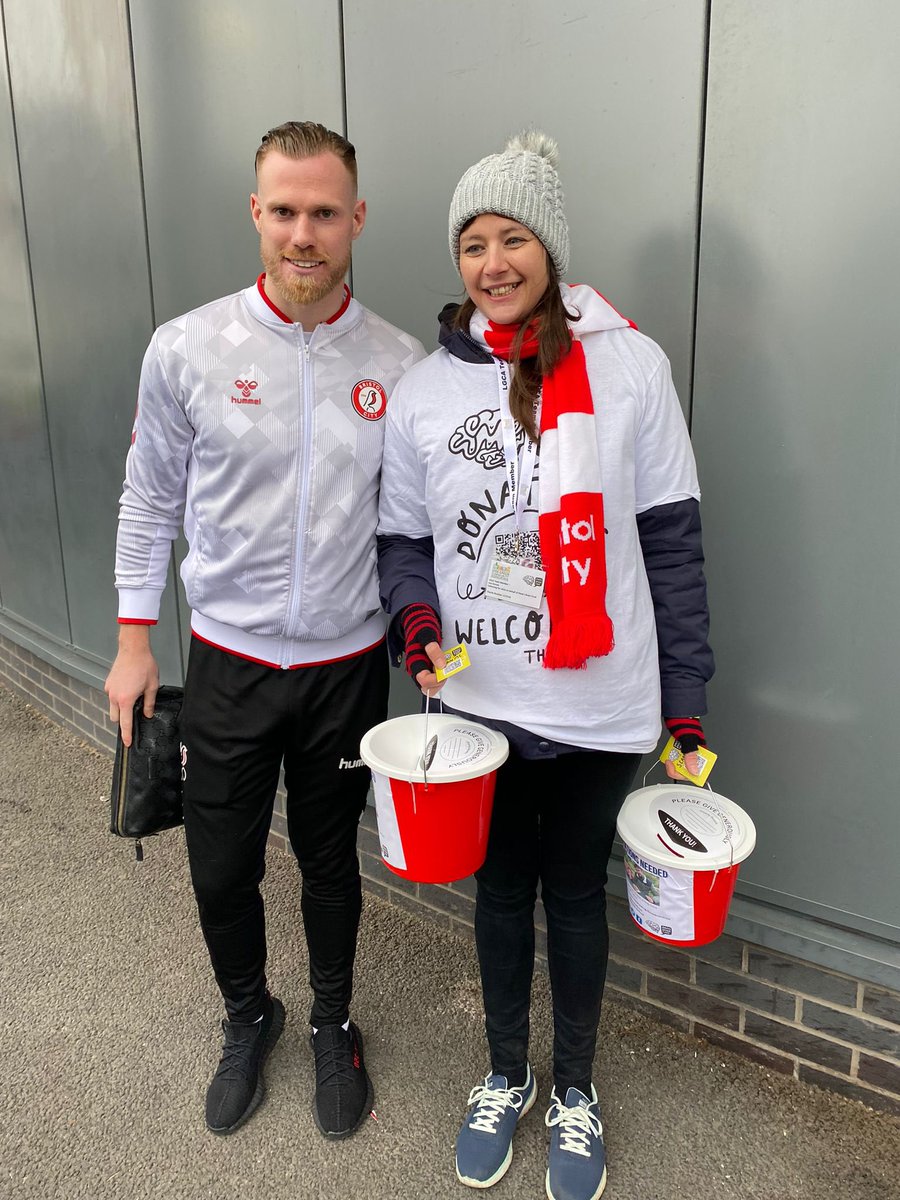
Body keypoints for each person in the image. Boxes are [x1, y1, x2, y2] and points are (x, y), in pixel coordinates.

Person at [377, 131, 713, 1199]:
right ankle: (505, 1074)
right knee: (497, 892)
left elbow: (670, 540)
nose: (491, 262)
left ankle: (575, 1090)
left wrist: (689, 698)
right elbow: (402, 546)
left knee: (574, 893)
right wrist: (415, 623)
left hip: (602, 700)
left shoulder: (630, 366)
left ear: (550, 249)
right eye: (471, 242)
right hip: (481, 703)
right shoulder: (426, 390)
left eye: (511, 236)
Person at [105, 121, 425, 1140]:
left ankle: (335, 1020)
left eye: (323, 213)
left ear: (356, 220)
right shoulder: (187, 348)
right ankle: (251, 1013)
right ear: (256, 213)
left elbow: (415, 529)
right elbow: (147, 498)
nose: (302, 234)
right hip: (230, 664)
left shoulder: (399, 363)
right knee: (218, 865)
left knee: (333, 864)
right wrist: (133, 642)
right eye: (283, 210)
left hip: (343, 669)